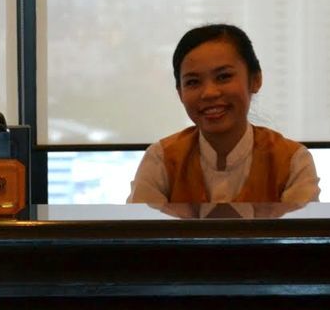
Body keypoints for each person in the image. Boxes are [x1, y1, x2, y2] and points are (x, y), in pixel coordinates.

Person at [128, 23, 320, 205]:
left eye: (224, 77)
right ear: (180, 93)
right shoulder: (161, 159)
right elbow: (138, 236)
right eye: (193, 82)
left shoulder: (292, 162)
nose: (209, 93)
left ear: (256, 80)